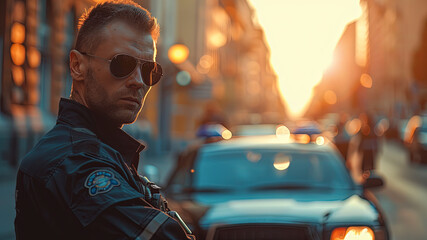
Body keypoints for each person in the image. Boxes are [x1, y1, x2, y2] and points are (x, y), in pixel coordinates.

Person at [14, 1, 194, 239]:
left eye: (149, 70)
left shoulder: (104, 151)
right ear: (77, 65)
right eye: (122, 64)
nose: (138, 81)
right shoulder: (73, 161)